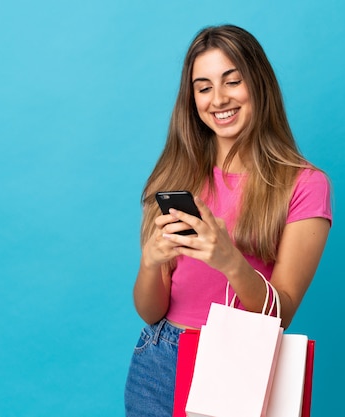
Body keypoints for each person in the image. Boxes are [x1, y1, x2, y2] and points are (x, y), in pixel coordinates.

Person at [124, 24, 332, 417]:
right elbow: (151, 311)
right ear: (192, 100)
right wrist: (151, 263)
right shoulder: (174, 179)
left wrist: (228, 260)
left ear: (258, 84)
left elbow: (282, 312)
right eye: (203, 88)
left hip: (240, 365)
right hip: (159, 360)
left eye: (232, 81)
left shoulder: (305, 185)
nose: (218, 99)